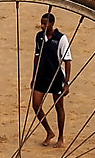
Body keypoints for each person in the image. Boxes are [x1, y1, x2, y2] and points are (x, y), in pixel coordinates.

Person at [29, 10, 72, 144]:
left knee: (59, 107)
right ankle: (49, 131)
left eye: (45, 23)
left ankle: (60, 137)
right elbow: (37, 56)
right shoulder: (39, 37)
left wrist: (66, 82)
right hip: (42, 75)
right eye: (41, 23)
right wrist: (34, 76)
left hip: (56, 76)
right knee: (36, 105)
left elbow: (68, 61)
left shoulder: (61, 38)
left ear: (52, 24)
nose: (42, 26)